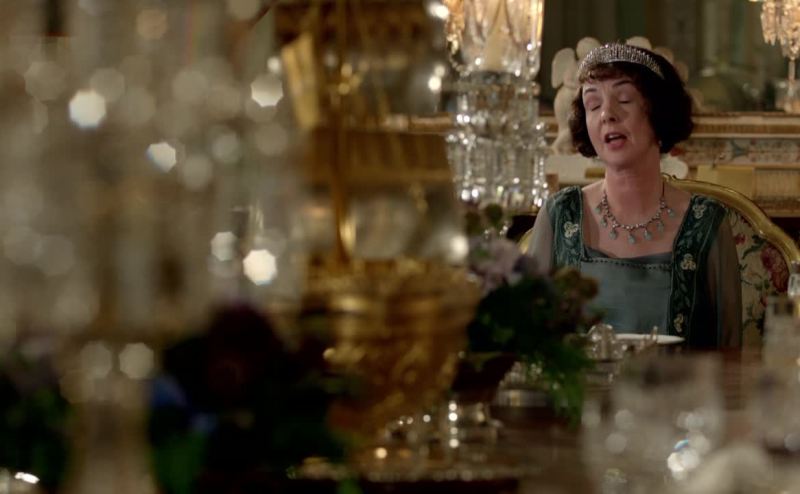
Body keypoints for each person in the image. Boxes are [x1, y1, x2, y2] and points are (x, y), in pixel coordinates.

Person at [527, 43, 741, 349]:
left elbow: (729, 353)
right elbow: (529, 345)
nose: (607, 115)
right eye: (593, 104)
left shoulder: (706, 222)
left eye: (624, 99)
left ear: (659, 111)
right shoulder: (560, 215)